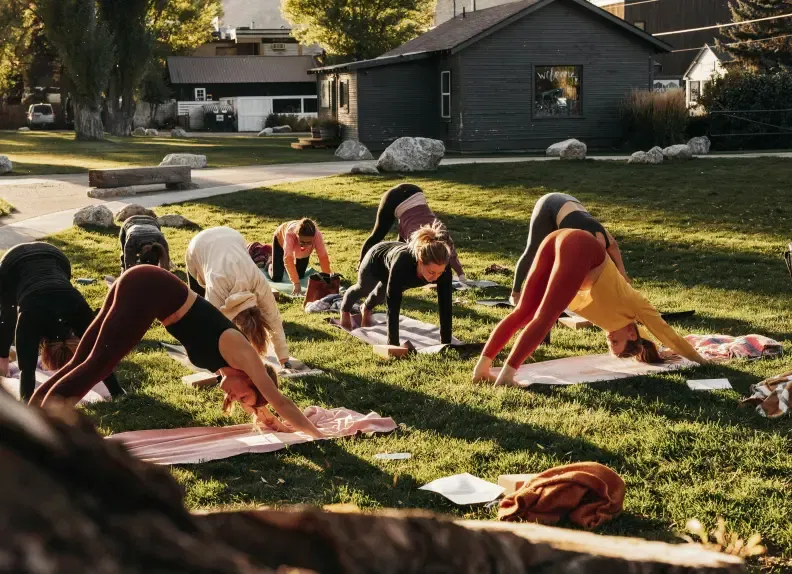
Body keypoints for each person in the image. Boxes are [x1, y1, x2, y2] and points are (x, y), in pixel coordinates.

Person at [28, 265, 326, 439]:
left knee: (85, 359)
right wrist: (316, 434)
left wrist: (270, 419)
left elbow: (262, 403)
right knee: (98, 365)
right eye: (244, 396)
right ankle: (38, 429)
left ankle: (29, 418)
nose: (235, 400)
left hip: (145, 283)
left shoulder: (229, 368)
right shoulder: (245, 357)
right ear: (251, 378)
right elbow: (281, 401)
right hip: (149, 289)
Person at [473, 229, 707, 386]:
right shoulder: (636, 305)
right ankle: (506, 376)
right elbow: (665, 332)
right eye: (615, 342)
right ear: (631, 332)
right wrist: (700, 360)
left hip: (557, 239)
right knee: (544, 316)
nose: (608, 338)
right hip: (580, 245)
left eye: (610, 344)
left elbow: (645, 338)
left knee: (525, 312)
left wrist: (651, 354)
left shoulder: (617, 324)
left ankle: (481, 370)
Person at [0, 242, 124, 401]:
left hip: (55, 260)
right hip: (28, 264)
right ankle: (118, 393)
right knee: (94, 346)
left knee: (8, 312)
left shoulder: (33, 315)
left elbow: (27, 368)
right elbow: (98, 352)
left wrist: (3, 359)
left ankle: (118, 394)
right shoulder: (38, 314)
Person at [185, 226, 290, 366]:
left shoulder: (259, 283)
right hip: (198, 246)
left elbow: (273, 320)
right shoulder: (218, 287)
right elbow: (211, 327)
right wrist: (220, 364)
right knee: (197, 310)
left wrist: (284, 360)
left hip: (232, 236)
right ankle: (194, 348)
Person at [340, 222, 453, 347]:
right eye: (431, 272)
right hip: (376, 260)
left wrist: (446, 342)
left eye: (439, 273)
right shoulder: (403, 264)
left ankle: (366, 308)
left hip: (396, 269)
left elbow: (445, 306)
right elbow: (393, 304)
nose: (436, 277)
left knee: (380, 295)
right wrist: (393, 343)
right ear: (420, 262)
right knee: (363, 289)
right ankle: (344, 310)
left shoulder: (445, 271)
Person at [511, 192, 627, 305]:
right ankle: (515, 293)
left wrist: (623, 275)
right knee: (533, 250)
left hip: (570, 203)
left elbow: (614, 251)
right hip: (548, 205)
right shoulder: (577, 241)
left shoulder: (606, 240)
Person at [359, 183, 466, 282]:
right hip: (394, 199)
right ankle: (361, 267)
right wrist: (461, 276)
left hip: (416, 192)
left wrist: (461, 275)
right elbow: (405, 254)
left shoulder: (442, 233)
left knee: (397, 244)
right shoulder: (416, 240)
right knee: (377, 235)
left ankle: (366, 266)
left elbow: (451, 254)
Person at [271, 219, 331, 296]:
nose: (305, 244)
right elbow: (288, 258)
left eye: (309, 242)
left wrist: (327, 278)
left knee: (300, 275)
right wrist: (296, 283)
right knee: (277, 278)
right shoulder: (290, 234)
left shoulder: (317, 235)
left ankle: (287, 268)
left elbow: (323, 257)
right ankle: (270, 262)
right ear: (297, 235)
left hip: (301, 251)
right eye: (302, 241)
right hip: (280, 240)